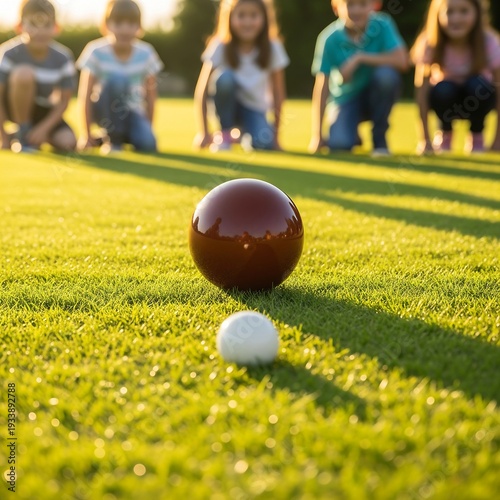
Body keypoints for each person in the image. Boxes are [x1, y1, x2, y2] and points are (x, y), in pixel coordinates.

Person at [309, 0, 408, 156]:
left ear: (374, 6)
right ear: (336, 8)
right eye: (350, 4)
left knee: (387, 77)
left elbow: (402, 61)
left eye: (362, 4)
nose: (356, 10)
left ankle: (379, 139)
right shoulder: (329, 38)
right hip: (345, 99)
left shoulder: (383, 24)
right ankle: (351, 132)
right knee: (339, 145)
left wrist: (360, 58)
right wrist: (317, 135)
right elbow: (322, 86)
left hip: (375, 97)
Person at [193, 0, 289, 152]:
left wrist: (276, 137)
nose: (247, 22)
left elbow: (278, 92)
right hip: (227, 107)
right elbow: (202, 89)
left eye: (253, 16)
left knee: (263, 144)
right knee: (225, 79)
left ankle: (241, 134)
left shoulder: (273, 48)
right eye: (241, 15)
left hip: (255, 109)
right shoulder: (220, 45)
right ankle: (225, 134)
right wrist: (204, 132)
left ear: (264, 18)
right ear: (230, 18)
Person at [412, 0, 500, 154]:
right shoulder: (430, 42)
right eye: (449, 12)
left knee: (477, 85)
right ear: (438, 15)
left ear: (477, 14)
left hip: (479, 97)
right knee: (444, 88)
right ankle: (445, 133)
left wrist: (497, 140)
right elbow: (422, 89)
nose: (456, 19)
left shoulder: (489, 41)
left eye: (464, 11)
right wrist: (425, 139)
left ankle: (477, 134)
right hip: (445, 98)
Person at [77, 0, 163, 153]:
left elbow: (150, 96)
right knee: (118, 80)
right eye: (118, 23)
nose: (125, 29)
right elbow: (85, 95)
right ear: (106, 25)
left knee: (148, 144)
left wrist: (147, 128)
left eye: (131, 24)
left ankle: (110, 136)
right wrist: (86, 134)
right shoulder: (95, 51)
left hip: (132, 112)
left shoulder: (147, 53)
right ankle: (113, 140)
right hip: (102, 109)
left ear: (139, 27)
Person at [0, 0, 77, 153]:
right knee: (24, 74)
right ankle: (23, 133)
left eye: (47, 25)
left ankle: (29, 134)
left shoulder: (64, 57)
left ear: (56, 27)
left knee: (68, 142)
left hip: (44, 111)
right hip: (13, 109)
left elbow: (63, 101)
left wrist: (43, 129)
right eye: (34, 24)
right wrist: (3, 137)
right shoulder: (9, 54)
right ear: (20, 27)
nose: (40, 31)